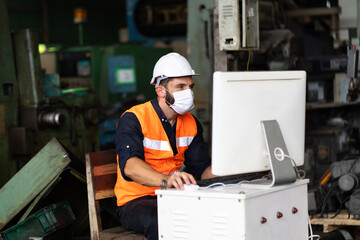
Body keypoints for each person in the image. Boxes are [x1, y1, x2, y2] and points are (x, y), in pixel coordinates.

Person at [114, 52, 216, 240]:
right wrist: (165, 181)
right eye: (180, 86)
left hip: (173, 196)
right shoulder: (134, 118)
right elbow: (130, 166)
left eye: (190, 86)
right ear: (161, 91)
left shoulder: (191, 123)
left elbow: (201, 169)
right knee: (163, 220)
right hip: (135, 201)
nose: (189, 92)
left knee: (214, 212)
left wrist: (230, 171)